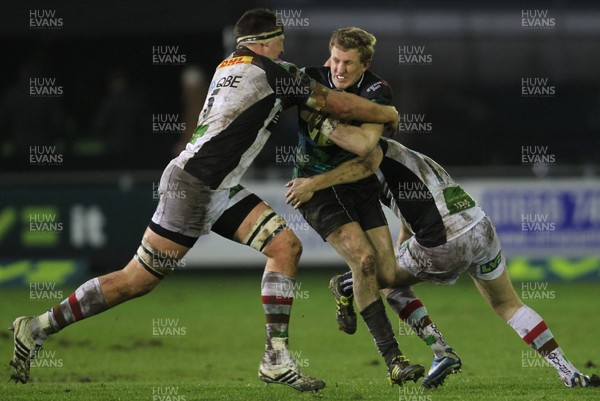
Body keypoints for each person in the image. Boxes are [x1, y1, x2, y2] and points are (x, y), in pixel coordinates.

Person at [9, 9, 400, 393]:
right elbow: (341, 104)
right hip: (195, 186)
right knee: (135, 281)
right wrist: (387, 111)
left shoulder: (227, 64)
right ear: (263, 43)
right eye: (279, 43)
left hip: (217, 185)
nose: (283, 50)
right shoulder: (273, 73)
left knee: (285, 246)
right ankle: (39, 326)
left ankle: (276, 359)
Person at [285, 137, 600, 389]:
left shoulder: (366, 163)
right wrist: (398, 251)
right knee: (508, 304)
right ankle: (570, 373)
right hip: (479, 225)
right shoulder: (406, 154)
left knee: (389, 287)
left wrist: (314, 183)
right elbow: (409, 211)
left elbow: (363, 176)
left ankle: (439, 349)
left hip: (444, 239)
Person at [289, 27, 424, 386]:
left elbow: (365, 148)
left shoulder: (377, 91)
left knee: (389, 275)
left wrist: (319, 118)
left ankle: (345, 287)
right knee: (363, 260)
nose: (339, 68)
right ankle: (395, 361)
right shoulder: (310, 80)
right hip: (315, 193)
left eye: (348, 62)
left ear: (365, 64)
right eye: (335, 59)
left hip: (355, 185)